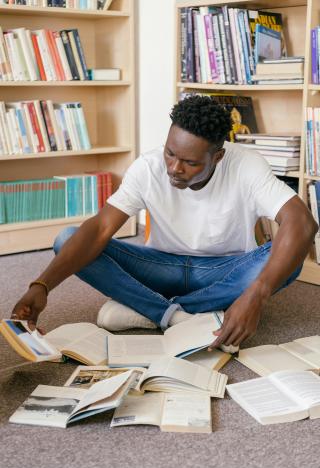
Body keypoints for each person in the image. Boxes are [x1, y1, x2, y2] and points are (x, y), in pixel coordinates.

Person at [11, 96, 318, 350]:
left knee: (289, 258)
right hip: (159, 267)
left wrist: (257, 294)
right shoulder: (147, 167)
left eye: (190, 162)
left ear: (218, 156)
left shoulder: (247, 165)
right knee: (68, 238)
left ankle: (146, 310)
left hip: (224, 271)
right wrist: (42, 285)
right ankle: (177, 316)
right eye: (170, 153)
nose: (174, 168)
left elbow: (302, 223)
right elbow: (101, 228)